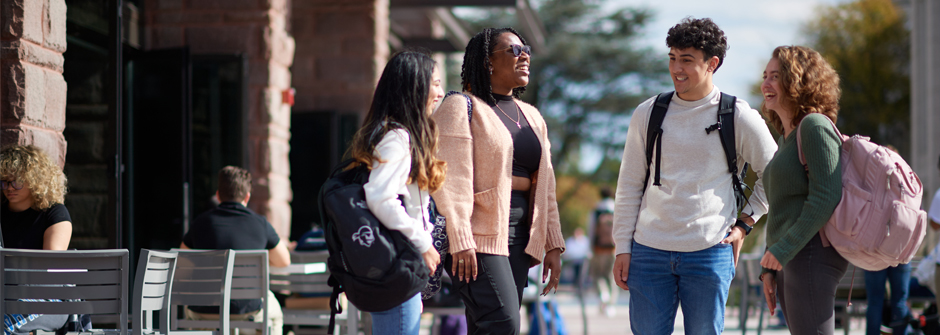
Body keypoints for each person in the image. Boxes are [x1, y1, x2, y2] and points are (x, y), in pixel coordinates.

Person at [611, 17, 776, 334]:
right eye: (672, 58)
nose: (677, 69)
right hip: (648, 251)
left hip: (710, 251)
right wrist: (623, 247)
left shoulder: (737, 115)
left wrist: (744, 225)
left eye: (687, 60)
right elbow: (629, 186)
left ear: (713, 63)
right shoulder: (648, 113)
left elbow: (776, 176)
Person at [431, 27, 566, 334]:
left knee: (488, 326)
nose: (525, 56)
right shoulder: (461, 107)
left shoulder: (532, 116)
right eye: (515, 50)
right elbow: (449, 181)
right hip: (478, 236)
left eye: (526, 49)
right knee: (503, 322)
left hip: (520, 237)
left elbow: (545, 187)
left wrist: (553, 242)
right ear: (488, 62)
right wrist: (460, 236)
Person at [346, 50, 445, 335]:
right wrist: (422, 242)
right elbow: (379, 196)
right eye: (435, 84)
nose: (440, 92)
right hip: (398, 266)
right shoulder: (397, 139)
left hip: (400, 267)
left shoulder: (395, 135)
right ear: (414, 87)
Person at [758, 45, 848, 335]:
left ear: (797, 81)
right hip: (791, 257)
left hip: (810, 254)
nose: (765, 84)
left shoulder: (815, 126)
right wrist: (770, 265)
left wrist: (782, 250)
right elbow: (783, 208)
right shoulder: (787, 138)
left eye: (775, 76)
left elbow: (826, 196)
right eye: (765, 76)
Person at [180, 166, 290, 335]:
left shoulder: (200, 223)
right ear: (247, 196)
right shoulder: (260, 224)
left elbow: (182, 263)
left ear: (218, 195)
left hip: (204, 312)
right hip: (246, 312)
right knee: (274, 312)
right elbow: (284, 261)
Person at [1, 144, 73, 335]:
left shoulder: (54, 214)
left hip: (49, 301)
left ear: (35, 180)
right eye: (3, 182)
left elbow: (50, 271)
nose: (8, 188)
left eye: (15, 181)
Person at [864, 145, 912, 335]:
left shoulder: (870, 185)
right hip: (900, 248)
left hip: (874, 249)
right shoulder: (907, 186)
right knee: (899, 301)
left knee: (874, 302)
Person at [587, 187, 617, 317]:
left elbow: (591, 228)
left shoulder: (596, 210)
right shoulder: (616, 207)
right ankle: (610, 304)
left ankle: (602, 295)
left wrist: (590, 246)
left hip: (598, 248)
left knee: (598, 275)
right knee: (611, 275)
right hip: (613, 247)